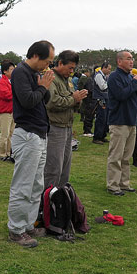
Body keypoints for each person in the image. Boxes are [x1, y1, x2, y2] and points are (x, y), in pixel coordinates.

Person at [7, 40, 55, 248]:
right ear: (35, 55)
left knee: (36, 184)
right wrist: (42, 87)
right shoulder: (20, 72)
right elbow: (27, 100)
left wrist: (44, 86)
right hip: (27, 134)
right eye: (47, 60)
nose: (48, 65)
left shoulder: (34, 74)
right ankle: (16, 230)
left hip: (39, 134)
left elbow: (43, 98)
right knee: (23, 185)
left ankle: (28, 225)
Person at [44, 50, 87, 189]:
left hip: (67, 127)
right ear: (60, 63)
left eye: (74, 68)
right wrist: (73, 98)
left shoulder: (67, 80)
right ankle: (46, 202)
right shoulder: (51, 78)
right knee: (53, 168)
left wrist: (78, 99)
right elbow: (52, 102)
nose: (72, 71)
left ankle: (60, 199)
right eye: (70, 68)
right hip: (55, 128)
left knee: (65, 169)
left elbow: (70, 99)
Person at [106, 51, 137, 195]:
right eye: (128, 59)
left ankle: (124, 183)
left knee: (126, 157)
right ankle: (113, 185)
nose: (131, 61)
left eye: (132, 59)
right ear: (119, 61)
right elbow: (122, 95)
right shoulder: (114, 77)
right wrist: (135, 82)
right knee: (116, 156)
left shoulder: (130, 76)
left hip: (131, 121)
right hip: (119, 121)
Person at [0, 60, 16, 162]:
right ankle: (1, 154)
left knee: (11, 133)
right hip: (4, 111)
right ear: (5, 71)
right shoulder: (1, 82)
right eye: (11, 70)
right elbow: (7, 95)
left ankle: (9, 152)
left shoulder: (12, 82)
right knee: (4, 133)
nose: (13, 71)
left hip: (12, 111)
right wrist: (17, 92)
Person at [92, 61, 112, 145]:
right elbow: (103, 86)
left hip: (105, 98)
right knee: (101, 118)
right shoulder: (99, 75)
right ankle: (97, 137)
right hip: (101, 99)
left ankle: (102, 136)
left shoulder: (104, 76)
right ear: (104, 68)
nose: (109, 71)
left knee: (105, 118)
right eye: (108, 69)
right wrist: (111, 84)